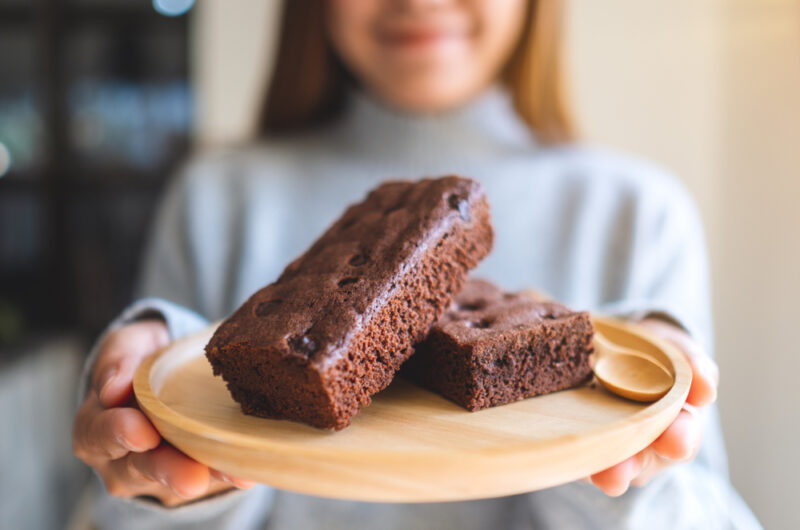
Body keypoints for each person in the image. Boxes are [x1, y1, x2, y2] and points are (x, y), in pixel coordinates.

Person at [71, 0, 760, 528]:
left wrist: (628, 459)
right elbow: (114, 510)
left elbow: (711, 511)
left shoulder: (637, 213)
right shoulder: (216, 196)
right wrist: (168, 472)